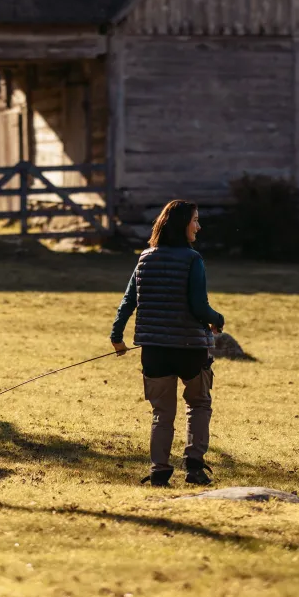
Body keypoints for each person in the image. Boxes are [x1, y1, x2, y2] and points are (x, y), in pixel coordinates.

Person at [110, 199, 225, 488]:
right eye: (195, 220)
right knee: (198, 403)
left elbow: (128, 301)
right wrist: (217, 318)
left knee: (162, 412)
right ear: (182, 224)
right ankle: (194, 466)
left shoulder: (145, 258)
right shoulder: (192, 259)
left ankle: (159, 470)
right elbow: (199, 307)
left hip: (155, 349)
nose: (198, 226)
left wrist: (117, 336)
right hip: (189, 348)